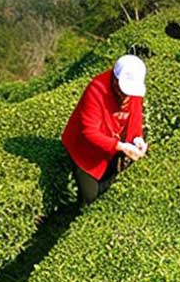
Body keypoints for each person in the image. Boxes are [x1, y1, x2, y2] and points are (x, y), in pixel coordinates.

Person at [61, 52, 147, 206]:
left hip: (112, 146)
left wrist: (137, 139)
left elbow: (135, 116)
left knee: (109, 186)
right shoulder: (97, 88)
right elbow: (89, 132)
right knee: (90, 197)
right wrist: (120, 146)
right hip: (86, 149)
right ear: (114, 80)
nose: (126, 95)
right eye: (123, 90)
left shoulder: (134, 91)